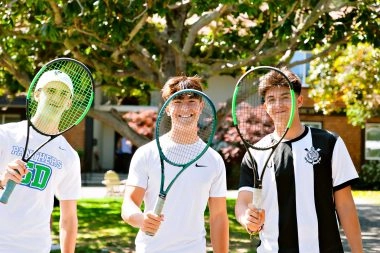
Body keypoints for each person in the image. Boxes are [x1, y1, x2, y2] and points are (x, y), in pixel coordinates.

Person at [234, 67, 363, 253]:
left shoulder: (329, 143)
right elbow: (243, 202)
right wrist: (247, 219)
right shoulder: (255, 152)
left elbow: (345, 204)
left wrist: (358, 251)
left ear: (299, 100)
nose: (278, 104)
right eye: (271, 99)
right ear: (265, 107)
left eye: (286, 97)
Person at [121, 75, 229, 253]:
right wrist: (141, 219)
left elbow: (218, 216)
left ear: (201, 106)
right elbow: (128, 204)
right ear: (168, 108)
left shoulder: (214, 160)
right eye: (177, 101)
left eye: (192, 100)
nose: (185, 108)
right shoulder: (147, 154)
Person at [0, 70, 80, 253]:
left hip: (36, 247)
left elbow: (68, 218)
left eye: (64, 94)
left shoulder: (69, 155)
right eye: (51, 90)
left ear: (69, 104)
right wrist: (2, 180)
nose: (57, 98)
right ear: (37, 94)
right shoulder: (5, 135)